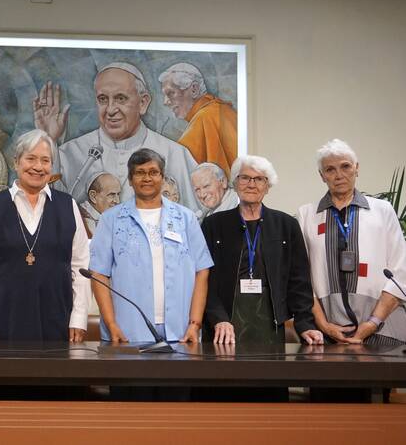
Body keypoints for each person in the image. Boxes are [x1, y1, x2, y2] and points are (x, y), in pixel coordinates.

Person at [0, 129, 90, 343]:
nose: (38, 167)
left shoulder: (67, 205)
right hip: (3, 318)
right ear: (16, 162)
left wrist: (78, 318)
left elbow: (81, 265)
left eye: (45, 160)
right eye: (30, 158)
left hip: (57, 318)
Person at [33, 62, 199, 210]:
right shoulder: (69, 153)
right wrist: (49, 140)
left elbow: (195, 219)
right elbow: (46, 211)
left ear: (143, 103)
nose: (111, 110)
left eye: (121, 98)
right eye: (103, 99)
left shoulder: (175, 154)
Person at [89, 148, 213, 344]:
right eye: (140, 172)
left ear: (162, 177)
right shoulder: (110, 220)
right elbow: (98, 274)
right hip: (127, 332)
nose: (147, 178)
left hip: (180, 332)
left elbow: (202, 271)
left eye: (153, 172)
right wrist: (112, 324)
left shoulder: (185, 218)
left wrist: (194, 324)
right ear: (130, 180)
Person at [201, 155, 323, 346]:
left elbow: (299, 280)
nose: (252, 184)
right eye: (245, 178)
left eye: (259, 179)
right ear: (234, 183)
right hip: (224, 325)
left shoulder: (286, 225)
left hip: (270, 323)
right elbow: (204, 280)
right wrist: (218, 318)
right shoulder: (213, 225)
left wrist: (305, 323)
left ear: (268, 186)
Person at [298, 139, 406, 346]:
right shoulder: (307, 215)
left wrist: (373, 322)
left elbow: (400, 271)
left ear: (357, 168)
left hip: (384, 327)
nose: (339, 175)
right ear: (321, 176)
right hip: (329, 334)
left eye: (345, 166)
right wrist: (324, 325)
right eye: (330, 169)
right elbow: (302, 280)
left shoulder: (382, 210)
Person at [158, 62, 238, 177]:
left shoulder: (205, 117)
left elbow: (178, 170)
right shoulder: (223, 110)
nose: (165, 102)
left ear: (194, 89)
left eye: (171, 93)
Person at [80, 171, 121, 235]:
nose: (117, 201)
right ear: (93, 196)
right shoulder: (79, 220)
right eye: (111, 195)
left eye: (118, 194)